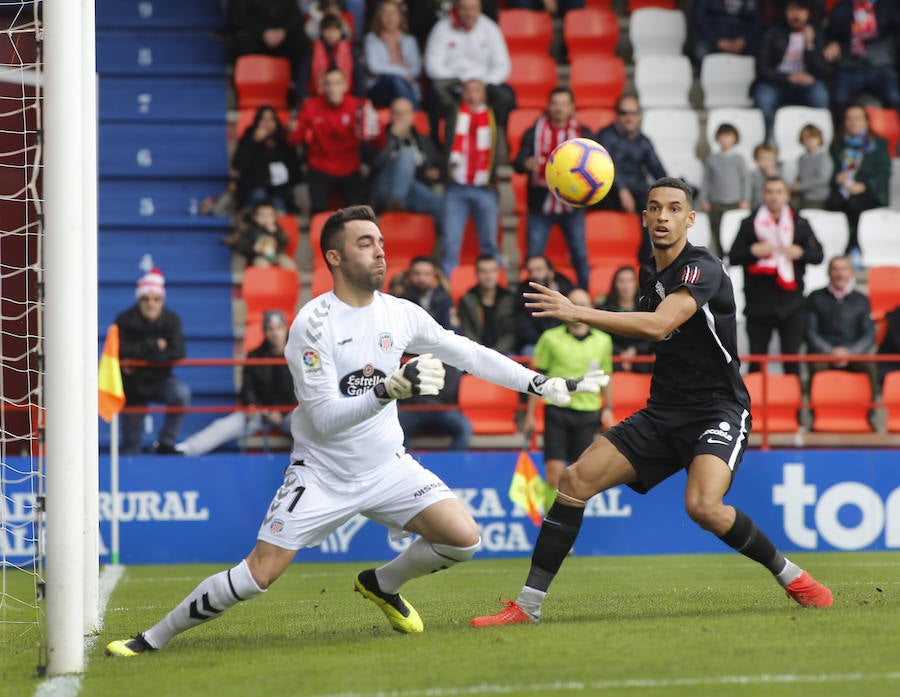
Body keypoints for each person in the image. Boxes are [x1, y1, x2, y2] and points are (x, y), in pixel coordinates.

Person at [105, 205, 606, 656]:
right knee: (260, 574)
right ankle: (151, 639)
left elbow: (469, 353)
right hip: (322, 472)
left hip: (387, 466)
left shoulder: (400, 312)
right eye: (365, 243)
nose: (380, 251)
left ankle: (381, 584)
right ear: (334, 258)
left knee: (463, 539)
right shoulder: (312, 325)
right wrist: (389, 389)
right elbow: (324, 418)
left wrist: (541, 384)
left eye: (381, 242)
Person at [470, 177, 832, 629]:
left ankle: (791, 576)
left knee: (703, 506)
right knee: (574, 479)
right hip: (663, 410)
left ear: (690, 218)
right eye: (655, 208)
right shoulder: (649, 272)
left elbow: (660, 325)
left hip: (717, 408)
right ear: (644, 217)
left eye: (674, 208)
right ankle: (527, 606)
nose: (663, 216)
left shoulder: (703, 268)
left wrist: (578, 311)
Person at [523, 287, 613, 512]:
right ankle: (549, 523)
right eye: (572, 303)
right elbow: (537, 379)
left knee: (577, 478)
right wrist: (530, 415)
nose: (576, 308)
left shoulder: (603, 340)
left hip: (588, 413)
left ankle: (567, 534)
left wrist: (608, 407)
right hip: (557, 410)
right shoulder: (550, 338)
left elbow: (606, 377)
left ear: (590, 307)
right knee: (554, 475)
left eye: (581, 303)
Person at [728, 176, 824, 376]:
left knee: (791, 363)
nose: (774, 197)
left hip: (792, 304)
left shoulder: (800, 222)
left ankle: (794, 407)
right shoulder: (749, 223)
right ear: (764, 195)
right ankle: (752, 407)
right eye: (770, 192)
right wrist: (752, 251)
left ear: (787, 196)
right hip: (758, 304)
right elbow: (734, 256)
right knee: (756, 364)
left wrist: (801, 253)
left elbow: (818, 255)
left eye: (779, 192)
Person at [175, 310, 296, 455]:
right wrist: (251, 405)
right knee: (223, 425)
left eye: (279, 327)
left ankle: (301, 472)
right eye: (270, 328)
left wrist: (282, 412)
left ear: (285, 328)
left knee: (308, 430)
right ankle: (186, 449)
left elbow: (303, 388)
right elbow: (247, 387)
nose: (275, 333)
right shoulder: (254, 356)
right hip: (260, 412)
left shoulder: (298, 353)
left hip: (290, 413)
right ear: (265, 331)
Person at [514, 87, 593, 290]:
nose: (559, 108)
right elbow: (517, 161)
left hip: (572, 207)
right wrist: (526, 163)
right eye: (555, 103)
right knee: (534, 256)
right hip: (541, 205)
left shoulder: (583, 134)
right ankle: (528, 297)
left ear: (572, 107)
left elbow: (597, 165)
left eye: (564, 103)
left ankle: (584, 298)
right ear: (549, 106)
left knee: (580, 255)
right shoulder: (534, 132)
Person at [115, 268, 191, 455]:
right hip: (132, 387)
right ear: (138, 300)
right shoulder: (124, 320)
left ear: (162, 301)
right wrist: (155, 346)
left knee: (181, 393)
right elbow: (119, 351)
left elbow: (178, 352)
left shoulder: (172, 320)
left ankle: (166, 442)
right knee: (131, 448)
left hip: (160, 380)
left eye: (156, 299)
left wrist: (138, 355)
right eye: (146, 299)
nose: (151, 304)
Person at [290, 67, 380, 214]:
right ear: (322, 86)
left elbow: (376, 141)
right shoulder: (310, 106)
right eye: (328, 84)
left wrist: (375, 127)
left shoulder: (358, 106)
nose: (333, 88)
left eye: (337, 83)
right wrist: (292, 129)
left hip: (349, 167)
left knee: (358, 213)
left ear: (345, 85)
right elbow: (294, 139)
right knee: (318, 211)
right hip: (320, 167)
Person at [439, 78, 502, 278]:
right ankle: (448, 291)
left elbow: (507, 97)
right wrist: (459, 81)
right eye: (468, 90)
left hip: (485, 187)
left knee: (490, 244)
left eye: (477, 90)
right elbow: (439, 88)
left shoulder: (494, 113)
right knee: (450, 243)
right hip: (456, 187)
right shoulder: (454, 111)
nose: (473, 94)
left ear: (485, 95)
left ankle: (496, 288)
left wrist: (488, 86)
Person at [594, 94, 667, 263]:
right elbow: (605, 167)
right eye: (624, 113)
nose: (629, 118)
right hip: (610, 190)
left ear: (639, 115)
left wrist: (671, 189)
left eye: (633, 113)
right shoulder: (606, 135)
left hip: (637, 191)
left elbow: (657, 169)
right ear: (617, 115)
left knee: (653, 206)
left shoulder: (643, 141)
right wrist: (621, 189)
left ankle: (646, 261)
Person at [423, 0, 515, 130]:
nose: (469, 13)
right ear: (456, 9)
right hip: (454, 84)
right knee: (435, 91)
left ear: (479, 9)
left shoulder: (490, 28)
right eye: (464, 9)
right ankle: (442, 139)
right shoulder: (441, 28)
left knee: (506, 96)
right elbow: (432, 67)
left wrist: (481, 84)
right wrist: (462, 81)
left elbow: (502, 65)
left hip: (484, 83)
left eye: (473, 8)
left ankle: (495, 137)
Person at [752, 0, 829, 141]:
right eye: (792, 10)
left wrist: (809, 46)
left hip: (805, 85)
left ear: (808, 13)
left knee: (820, 95)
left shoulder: (816, 32)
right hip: (776, 82)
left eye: (801, 11)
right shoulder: (772, 31)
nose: (796, 15)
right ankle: (765, 142)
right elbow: (761, 68)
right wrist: (789, 77)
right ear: (785, 12)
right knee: (763, 98)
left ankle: (818, 141)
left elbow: (822, 71)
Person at [825, 103, 892, 258]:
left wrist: (864, 185)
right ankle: (837, 250)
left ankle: (856, 248)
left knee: (856, 204)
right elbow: (831, 171)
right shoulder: (838, 145)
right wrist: (838, 178)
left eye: (857, 118)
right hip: (843, 191)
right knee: (833, 203)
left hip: (869, 192)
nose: (853, 122)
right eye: (849, 119)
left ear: (866, 122)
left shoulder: (878, 144)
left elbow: (884, 172)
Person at [823, 0, 900, 122]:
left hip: (881, 66)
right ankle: (842, 136)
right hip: (850, 66)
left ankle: (896, 136)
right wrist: (834, 42)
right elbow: (831, 34)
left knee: (894, 98)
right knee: (839, 99)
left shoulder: (888, 5)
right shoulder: (842, 8)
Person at [805, 255, 876, 385]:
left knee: (869, 366)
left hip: (853, 352)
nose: (840, 274)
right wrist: (831, 352)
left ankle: (871, 406)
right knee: (815, 366)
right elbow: (810, 332)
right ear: (828, 272)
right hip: (824, 353)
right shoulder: (815, 297)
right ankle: (814, 405)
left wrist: (851, 352)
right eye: (835, 269)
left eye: (843, 269)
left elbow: (869, 334)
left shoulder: (862, 300)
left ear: (851, 273)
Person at [370, 96, 443, 218]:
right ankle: (396, 199)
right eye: (397, 113)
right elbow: (375, 165)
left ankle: (397, 203)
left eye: (405, 113)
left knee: (444, 205)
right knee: (406, 153)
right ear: (391, 116)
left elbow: (437, 165)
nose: (401, 117)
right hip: (386, 186)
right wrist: (392, 138)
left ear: (412, 116)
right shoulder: (381, 138)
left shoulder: (424, 140)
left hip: (414, 189)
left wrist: (434, 172)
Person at [226, 0, 309, 96]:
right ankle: (241, 87)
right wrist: (262, 32)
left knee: (301, 40)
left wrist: (283, 31)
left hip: (283, 39)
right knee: (240, 41)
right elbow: (239, 19)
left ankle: (294, 85)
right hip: (255, 38)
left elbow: (296, 18)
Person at [231, 105, 302, 213]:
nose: (267, 124)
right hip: (254, 189)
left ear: (276, 122)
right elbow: (238, 166)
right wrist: (253, 142)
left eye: (271, 119)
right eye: (263, 119)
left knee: (279, 206)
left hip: (279, 191)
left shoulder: (284, 141)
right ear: (257, 122)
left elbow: (296, 172)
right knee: (259, 196)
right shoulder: (248, 139)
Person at [698, 122, 751, 258]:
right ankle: (721, 259)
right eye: (722, 136)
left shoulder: (739, 159)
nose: (725, 140)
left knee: (733, 233)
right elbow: (706, 181)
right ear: (717, 138)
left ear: (735, 139)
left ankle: (734, 258)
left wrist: (745, 199)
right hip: (716, 203)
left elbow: (745, 180)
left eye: (729, 136)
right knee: (718, 234)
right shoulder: (712, 159)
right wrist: (704, 199)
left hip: (734, 203)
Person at [363, 1, 424, 109]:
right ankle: (415, 116)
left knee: (399, 82)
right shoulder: (371, 39)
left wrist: (403, 75)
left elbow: (416, 69)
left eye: (393, 13)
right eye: (386, 13)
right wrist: (402, 72)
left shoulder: (410, 40)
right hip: (380, 89)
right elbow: (374, 67)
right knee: (395, 79)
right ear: (379, 18)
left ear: (400, 16)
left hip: (407, 86)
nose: (390, 17)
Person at [595, 265, 652, 374]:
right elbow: (600, 336)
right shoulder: (604, 309)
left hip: (641, 356)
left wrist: (635, 350)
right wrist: (620, 352)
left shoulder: (647, 307)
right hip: (612, 355)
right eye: (621, 281)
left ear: (636, 284)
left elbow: (652, 335)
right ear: (614, 284)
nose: (625, 286)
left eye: (630, 281)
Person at [457, 254, 517, 354]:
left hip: (503, 351)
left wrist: (496, 351)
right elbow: (466, 331)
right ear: (476, 274)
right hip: (475, 351)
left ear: (498, 273)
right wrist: (481, 352)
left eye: (492, 271)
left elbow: (511, 333)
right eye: (483, 271)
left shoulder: (509, 299)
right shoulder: (467, 299)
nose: (488, 276)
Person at [515, 254, 575, 356]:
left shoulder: (569, 292)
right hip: (538, 343)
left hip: (567, 340)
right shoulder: (523, 296)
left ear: (551, 272)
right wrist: (548, 342)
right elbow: (524, 329)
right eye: (530, 271)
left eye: (539, 269)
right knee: (528, 351)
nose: (534, 275)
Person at [224, 200, 298, 270]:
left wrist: (276, 233)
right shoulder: (251, 230)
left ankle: (289, 281)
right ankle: (267, 282)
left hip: (277, 255)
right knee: (262, 264)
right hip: (258, 257)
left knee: (289, 264)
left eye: (269, 215)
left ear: (275, 217)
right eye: (262, 215)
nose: (266, 218)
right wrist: (253, 249)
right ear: (254, 217)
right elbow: (241, 246)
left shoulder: (277, 228)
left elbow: (285, 241)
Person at [690, 0, 761, 67]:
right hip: (714, 39)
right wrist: (717, 41)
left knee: (761, 55)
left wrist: (744, 40)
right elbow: (699, 20)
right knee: (700, 52)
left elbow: (756, 22)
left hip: (742, 41)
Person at [309, 13, 358, 97]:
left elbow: (358, 73)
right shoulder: (312, 49)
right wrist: (303, 96)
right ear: (322, 32)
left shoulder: (350, 49)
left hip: (345, 95)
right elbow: (303, 73)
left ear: (341, 32)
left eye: (335, 30)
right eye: (328, 30)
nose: (331, 33)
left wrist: (358, 95)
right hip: (317, 95)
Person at [790, 123, 833, 210]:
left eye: (813, 137)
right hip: (803, 196)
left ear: (819, 139)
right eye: (806, 138)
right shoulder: (801, 158)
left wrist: (800, 186)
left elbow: (823, 179)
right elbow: (800, 176)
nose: (809, 141)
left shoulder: (824, 157)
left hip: (818, 197)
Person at [749, 142, 781, 210]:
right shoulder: (752, 176)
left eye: (769, 159)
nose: (766, 162)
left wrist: (773, 177)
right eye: (763, 159)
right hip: (757, 208)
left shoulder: (779, 175)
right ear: (756, 160)